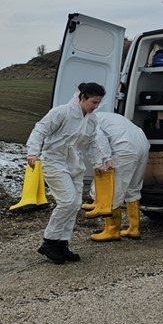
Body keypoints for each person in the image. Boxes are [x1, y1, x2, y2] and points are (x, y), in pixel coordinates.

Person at [27, 82, 111, 264]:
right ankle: (49, 242)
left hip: (74, 165)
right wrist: (33, 152)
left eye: (98, 103)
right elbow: (40, 129)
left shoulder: (92, 120)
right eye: (93, 102)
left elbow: (91, 143)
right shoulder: (61, 113)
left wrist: (99, 162)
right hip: (54, 162)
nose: (96, 107)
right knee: (67, 201)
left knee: (75, 204)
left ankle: (61, 243)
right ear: (82, 98)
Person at [87, 112, 151, 241]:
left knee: (112, 190)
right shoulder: (104, 116)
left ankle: (112, 230)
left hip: (124, 147)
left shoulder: (87, 120)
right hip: (142, 143)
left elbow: (99, 139)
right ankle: (134, 228)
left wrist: (103, 160)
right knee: (133, 187)